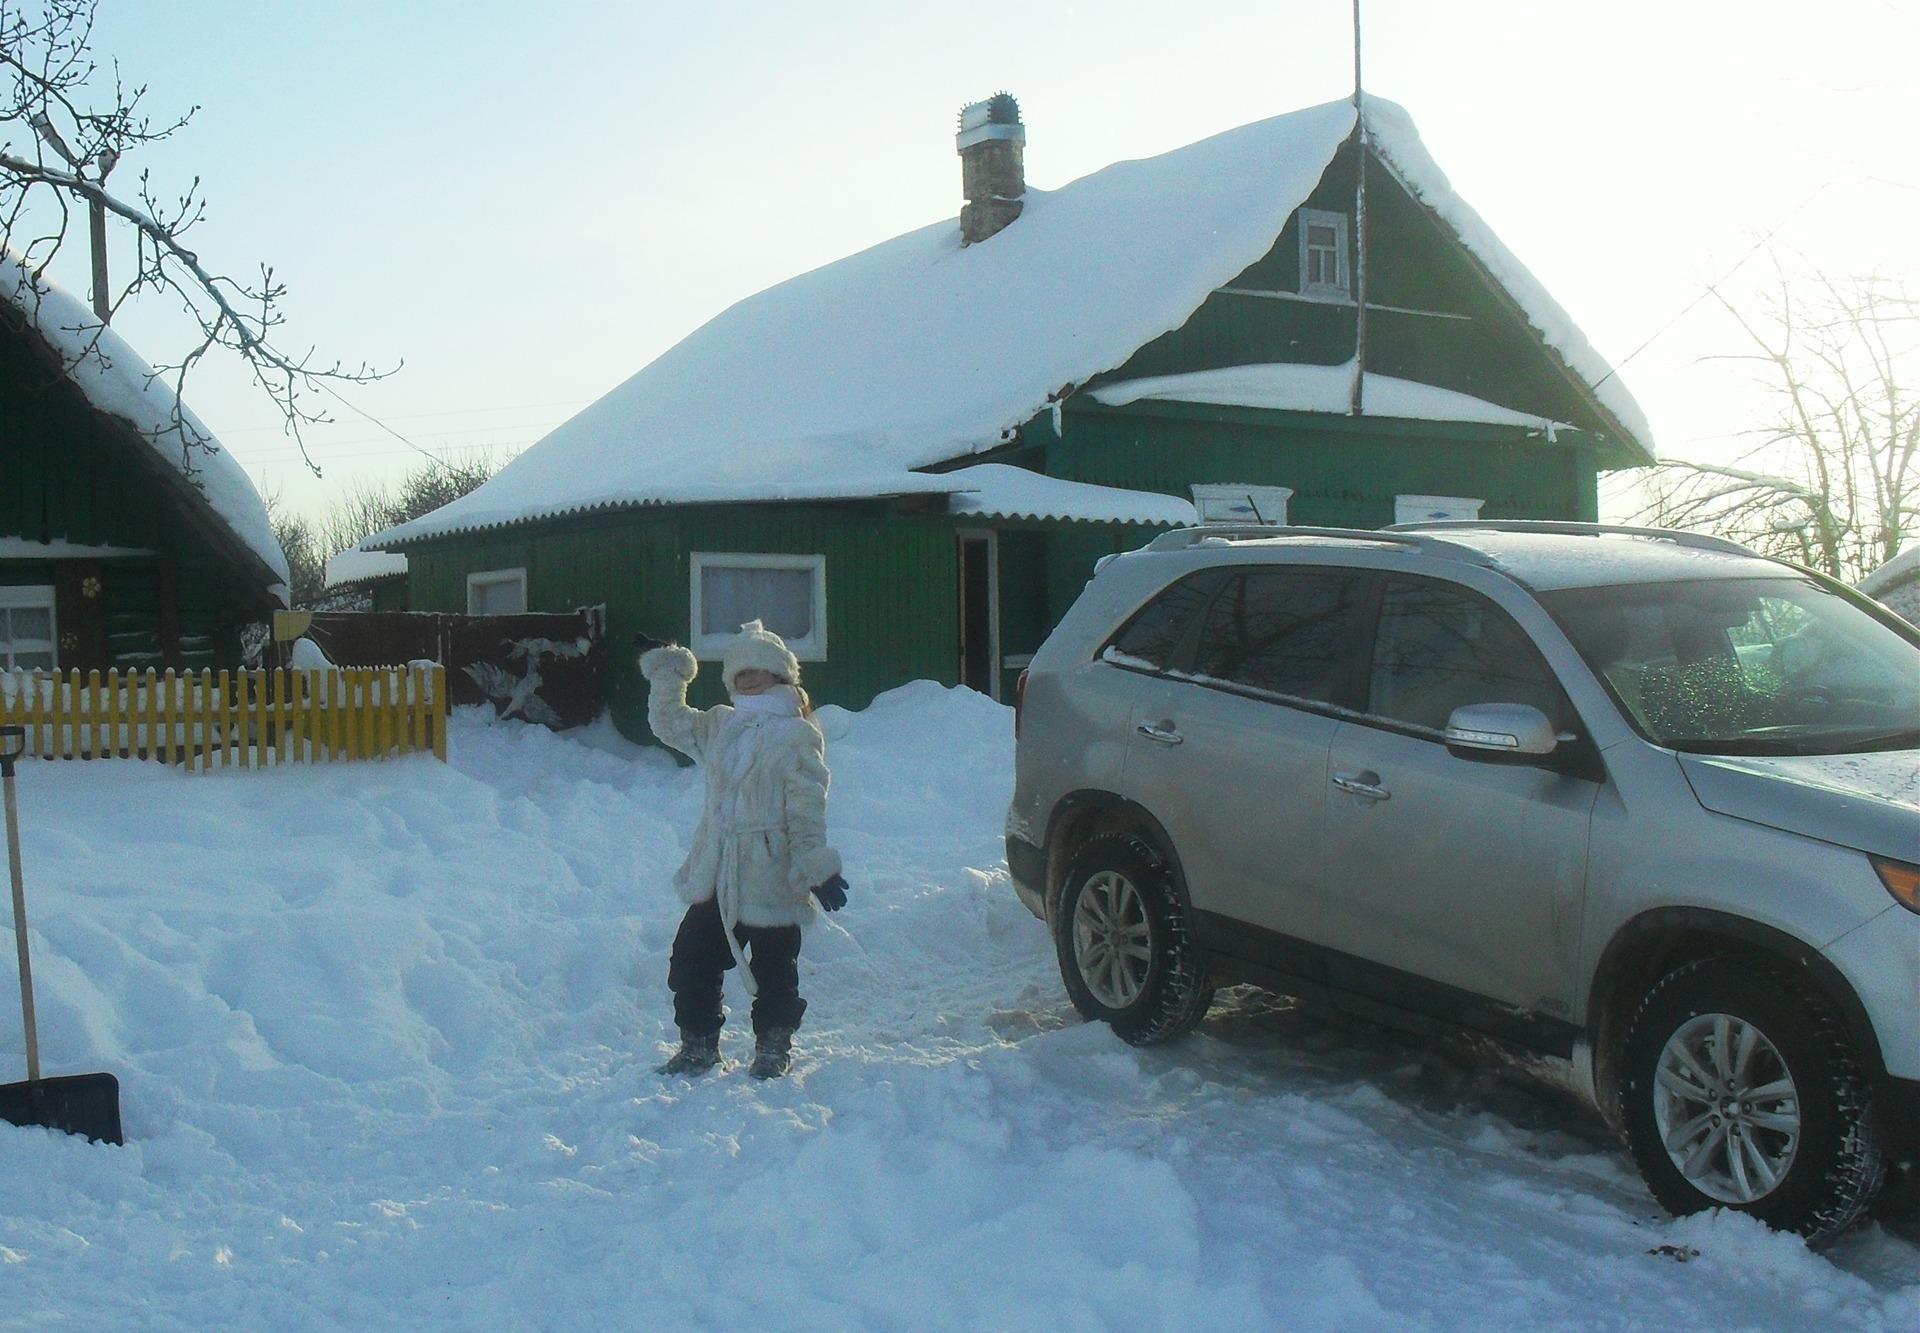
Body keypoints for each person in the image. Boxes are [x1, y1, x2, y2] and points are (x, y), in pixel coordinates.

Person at [638, 621, 848, 1079]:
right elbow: (669, 723)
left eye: (759, 670)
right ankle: (698, 1047)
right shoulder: (720, 724)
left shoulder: (796, 735)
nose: (749, 678)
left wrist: (816, 865)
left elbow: (807, 805)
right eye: (740, 673)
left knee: (775, 972)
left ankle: (773, 1049)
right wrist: (668, 671)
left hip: (771, 870)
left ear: (780, 676)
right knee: (691, 958)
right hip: (717, 869)